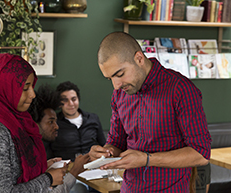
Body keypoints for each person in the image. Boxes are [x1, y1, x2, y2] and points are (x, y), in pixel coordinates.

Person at [89, 32, 212, 193]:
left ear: (139, 58)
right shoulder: (119, 95)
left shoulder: (180, 89)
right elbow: (117, 143)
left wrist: (147, 159)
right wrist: (105, 153)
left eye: (120, 74)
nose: (116, 85)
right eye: (110, 78)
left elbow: (201, 153)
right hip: (129, 188)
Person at [0, 53, 89, 193]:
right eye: (25, 88)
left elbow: (12, 173)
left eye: (32, 86)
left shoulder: (13, 120)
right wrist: (48, 178)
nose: (32, 94)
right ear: (5, 89)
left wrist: (42, 168)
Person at [28, 84, 89, 193]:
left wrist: (45, 167)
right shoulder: (27, 152)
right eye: (51, 122)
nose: (56, 126)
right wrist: (74, 171)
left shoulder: (35, 148)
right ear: (35, 123)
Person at [47, 81, 106, 162]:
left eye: (74, 99)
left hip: (93, 164)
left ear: (78, 99)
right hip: (67, 167)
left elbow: (104, 144)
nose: (71, 104)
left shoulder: (93, 118)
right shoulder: (54, 123)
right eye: (65, 100)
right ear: (60, 103)